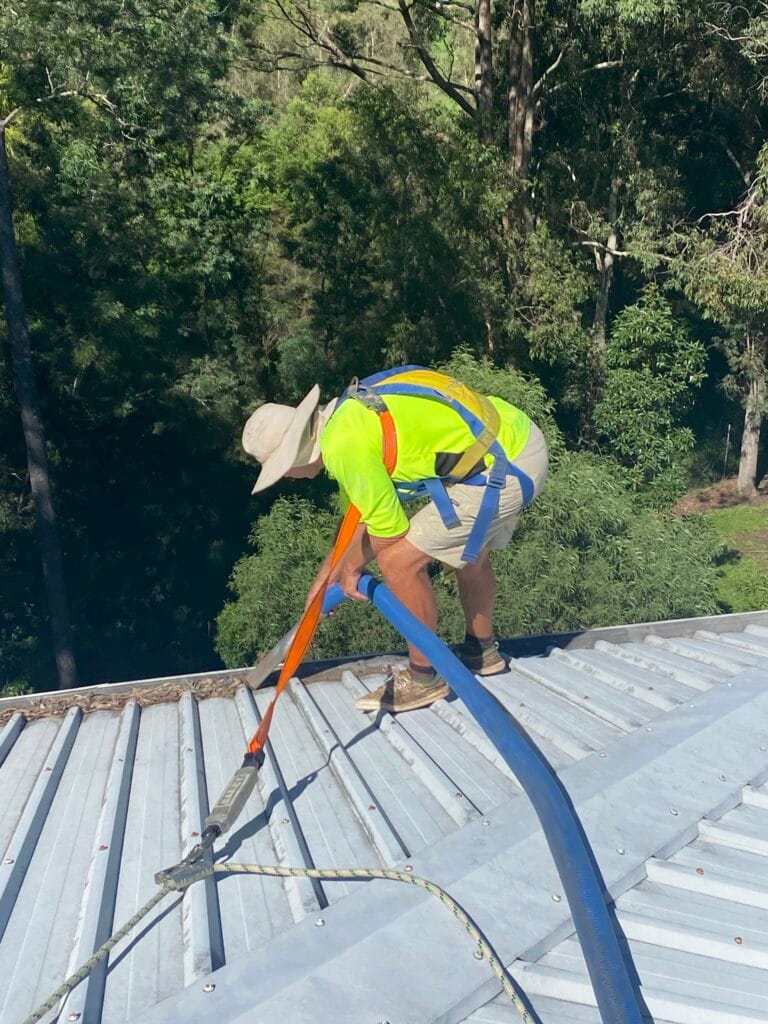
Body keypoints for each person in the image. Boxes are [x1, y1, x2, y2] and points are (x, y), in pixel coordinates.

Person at [241, 368, 548, 714]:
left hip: (504, 467)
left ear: (294, 459)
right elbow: (357, 521)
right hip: (513, 438)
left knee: (397, 560)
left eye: (282, 471)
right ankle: (482, 652)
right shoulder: (346, 417)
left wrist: (351, 572)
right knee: (465, 553)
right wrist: (324, 583)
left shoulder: (344, 447)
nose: (289, 479)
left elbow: (387, 533)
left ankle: (423, 679)